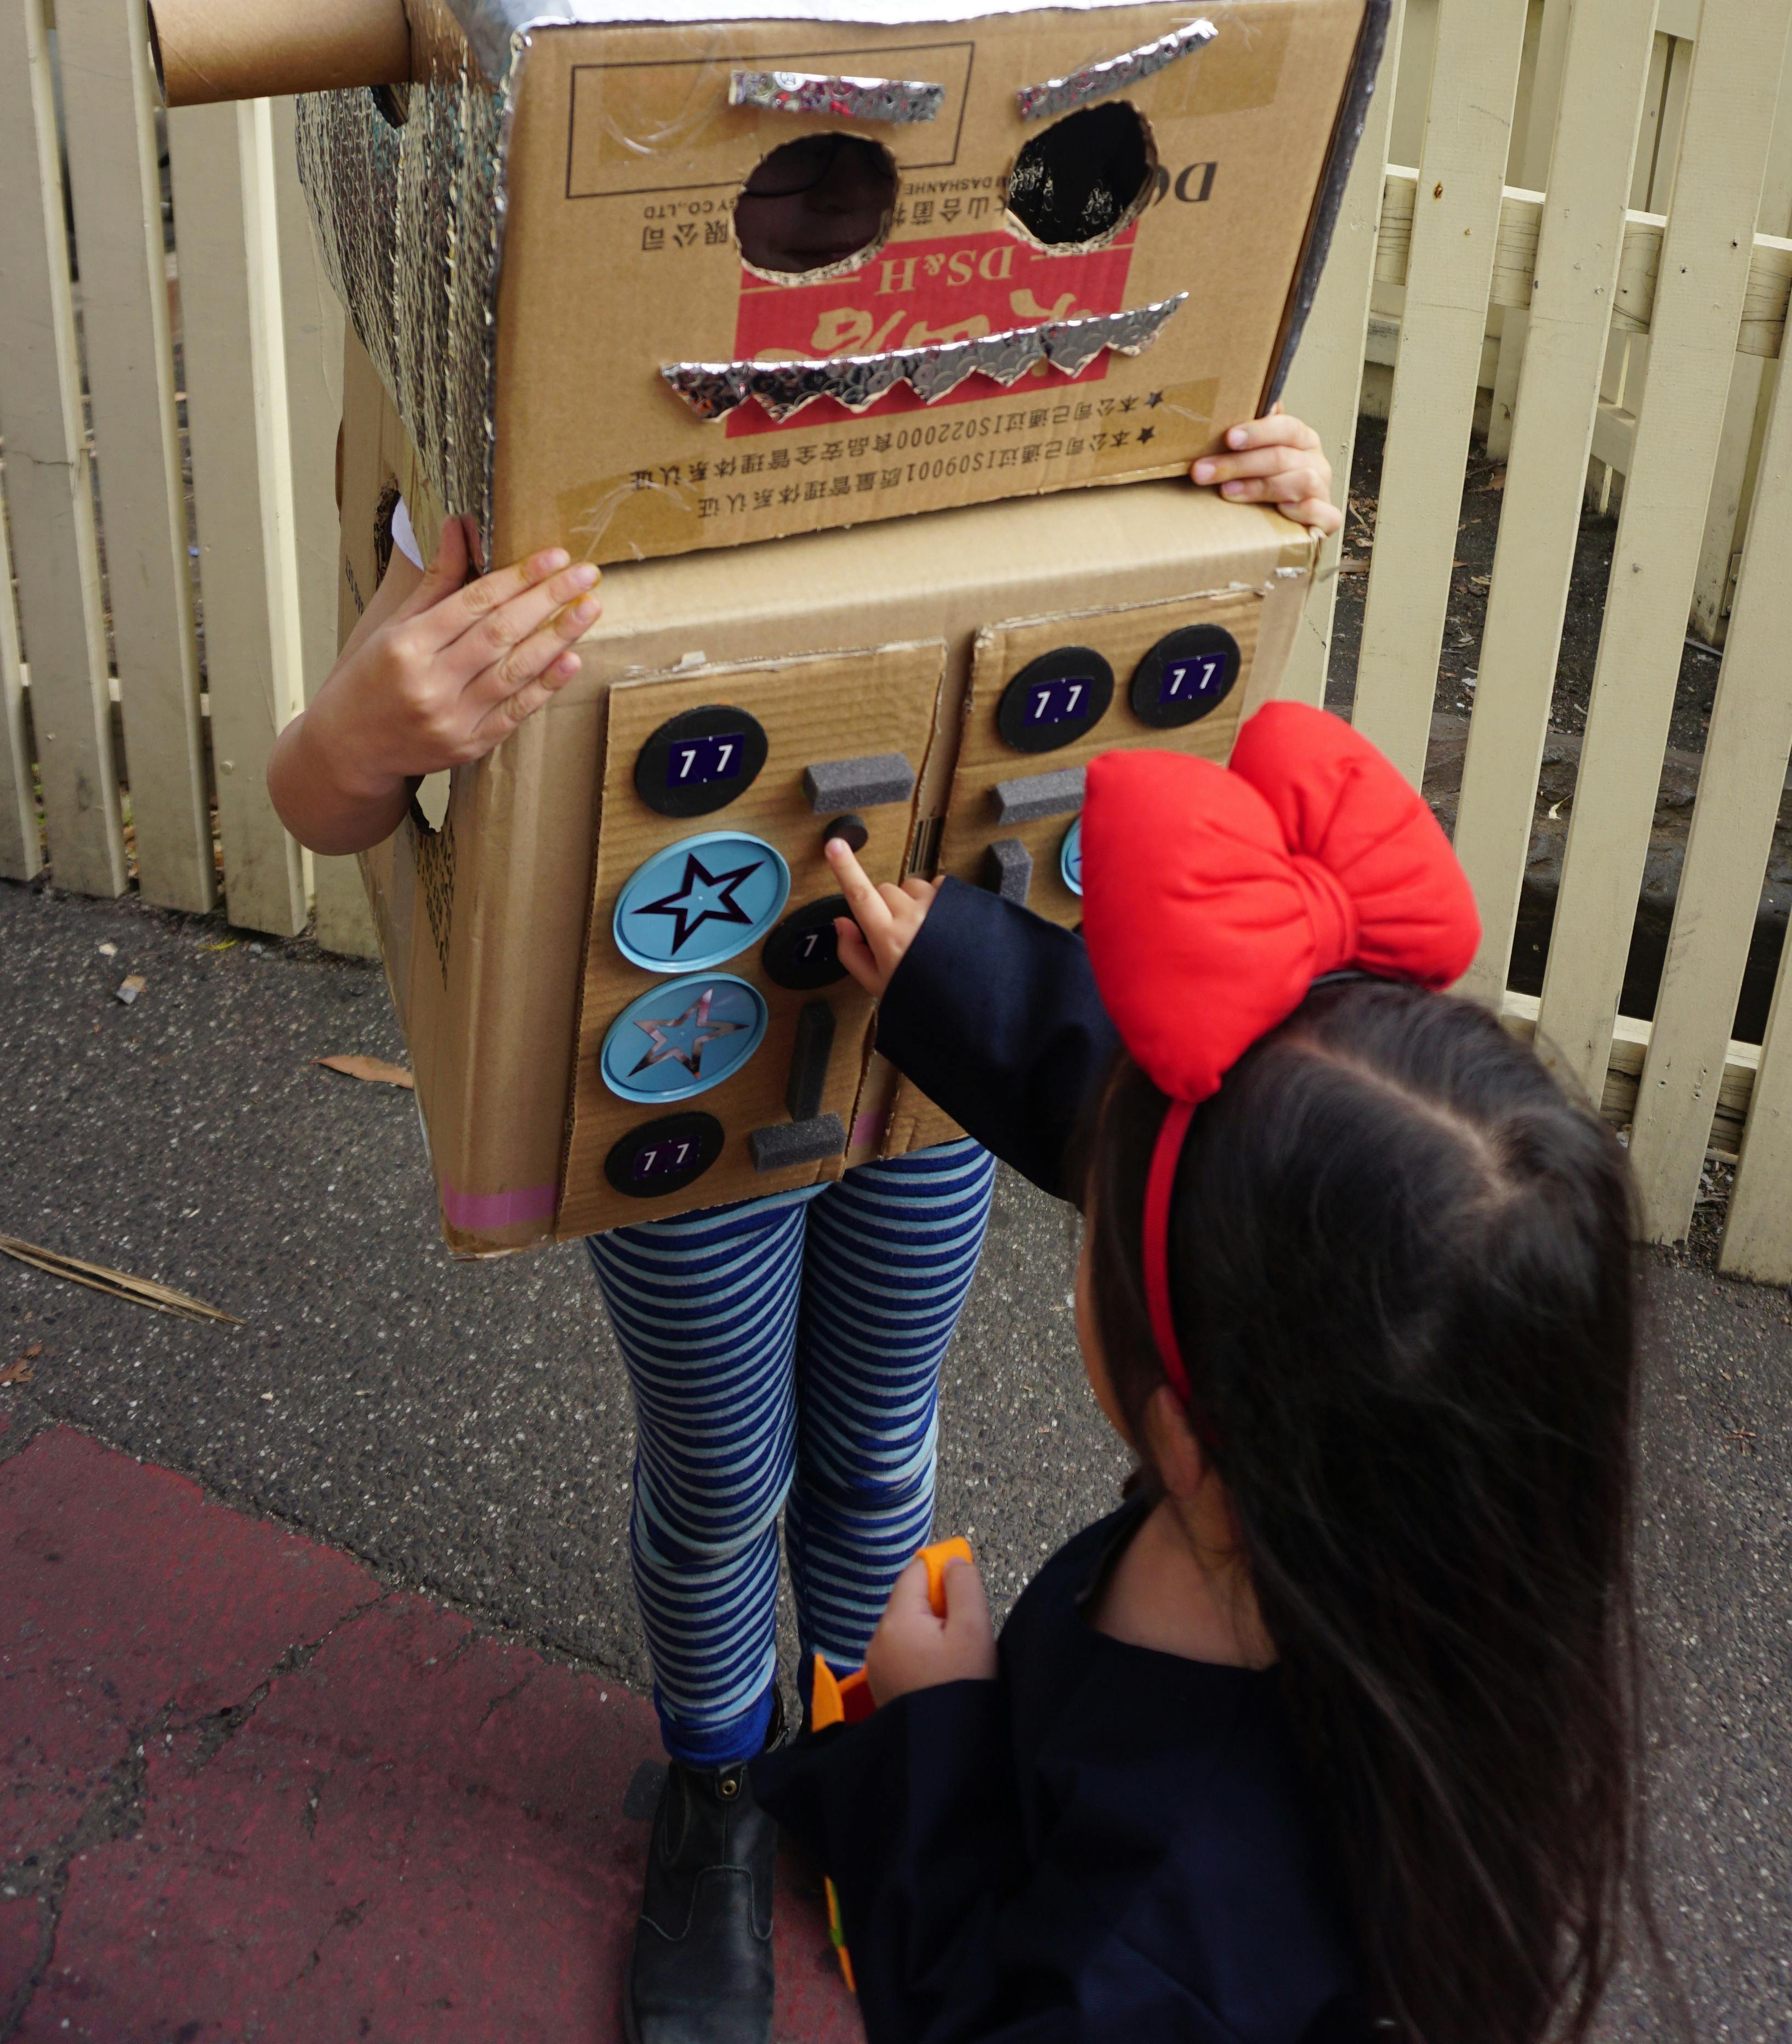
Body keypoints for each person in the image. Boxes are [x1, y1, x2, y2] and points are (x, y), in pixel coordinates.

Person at [267, 412, 1341, 2044]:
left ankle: (870, 1751)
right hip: (676, 1119)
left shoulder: (1026, 393)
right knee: (716, 1471)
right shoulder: (529, 461)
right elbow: (326, 799)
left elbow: (1175, 666)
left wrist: (1266, 522)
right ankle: (716, 1778)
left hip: (927, 1091)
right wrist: (362, 731)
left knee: (877, 1447)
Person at [763, 702, 1655, 2044]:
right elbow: (1211, 1151)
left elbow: (974, 2009)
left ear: (1189, 1439)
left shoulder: (1158, 1944)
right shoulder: (1433, 1532)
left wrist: (940, 1732)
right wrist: (962, 973)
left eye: (1101, 1247)